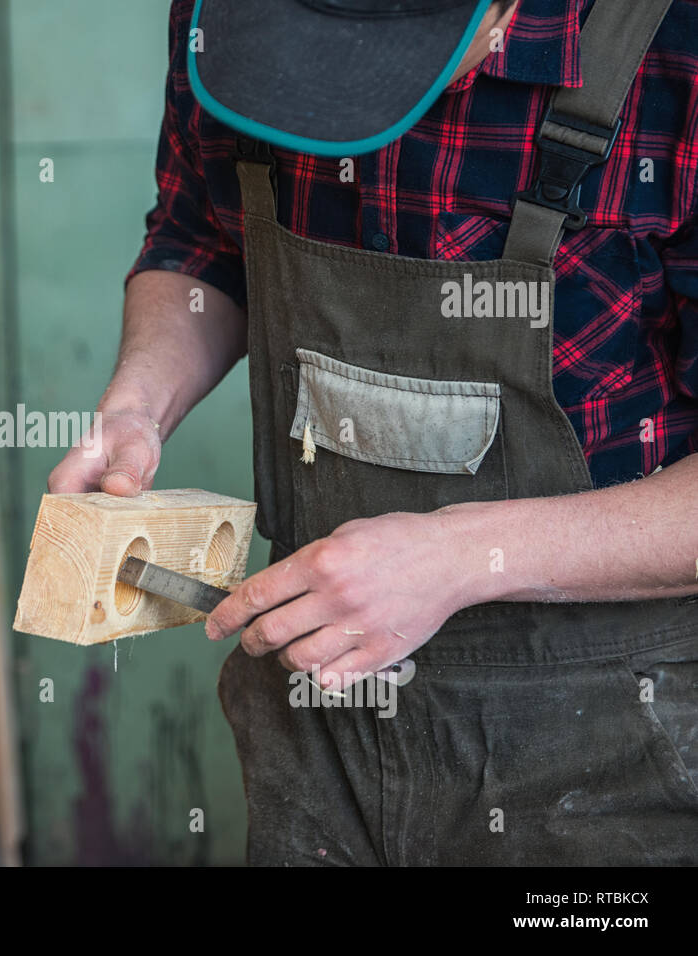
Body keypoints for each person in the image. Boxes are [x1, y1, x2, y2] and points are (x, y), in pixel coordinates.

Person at [49, 0, 698, 865]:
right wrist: (138, 405)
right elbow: (201, 239)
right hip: (314, 724)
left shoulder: (674, 45)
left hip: (607, 739)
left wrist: (460, 558)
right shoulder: (229, 23)